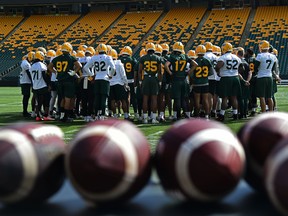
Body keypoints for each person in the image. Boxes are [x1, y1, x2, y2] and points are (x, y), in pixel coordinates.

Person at [48, 42, 82, 122]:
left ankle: (62, 115)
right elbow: (79, 66)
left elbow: (49, 67)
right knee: (67, 99)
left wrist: (55, 72)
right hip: (68, 81)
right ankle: (66, 116)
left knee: (62, 98)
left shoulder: (57, 58)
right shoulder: (71, 57)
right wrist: (74, 72)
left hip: (60, 81)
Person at [165, 41, 198, 121]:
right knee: (184, 98)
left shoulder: (172, 56)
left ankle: (178, 116)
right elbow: (195, 64)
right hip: (184, 79)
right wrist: (189, 72)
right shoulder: (185, 56)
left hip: (176, 79)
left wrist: (170, 73)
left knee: (177, 99)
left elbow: (166, 66)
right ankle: (187, 115)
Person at [83, 43, 116, 120]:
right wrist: (110, 75)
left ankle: (96, 114)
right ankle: (102, 114)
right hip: (105, 79)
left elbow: (85, 67)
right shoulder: (108, 57)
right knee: (104, 98)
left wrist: (92, 75)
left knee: (97, 97)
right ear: (106, 50)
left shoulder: (94, 58)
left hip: (97, 79)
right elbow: (113, 68)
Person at [215, 42, 243, 121]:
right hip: (235, 77)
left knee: (225, 97)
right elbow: (242, 68)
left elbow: (218, 67)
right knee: (234, 97)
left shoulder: (222, 57)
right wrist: (236, 72)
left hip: (226, 78)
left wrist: (218, 72)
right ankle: (235, 113)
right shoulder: (236, 57)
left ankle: (222, 114)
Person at [138, 42, 162, 124]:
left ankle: (145, 118)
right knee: (154, 99)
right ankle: (153, 118)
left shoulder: (143, 58)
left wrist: (140, 81)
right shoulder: (158, 58)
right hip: (154, 78)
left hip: (146, 78)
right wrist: (160, 81)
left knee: (145, 98)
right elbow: (160, 72)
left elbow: (140, 71)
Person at [254, 40, 279, 113]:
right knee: (269, 97)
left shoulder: (260, 55)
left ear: (261, 47)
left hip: (261, 77)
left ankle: (264, 112)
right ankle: (271, 112)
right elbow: (273, 68)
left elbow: (256, 67)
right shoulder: (273, 56)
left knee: (262, 97)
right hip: (269, 77)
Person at [190, 45, 213, 119]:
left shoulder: (195, 61)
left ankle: (197, 115)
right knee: (205, 100)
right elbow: (211, 72)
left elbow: (191, 74)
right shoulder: (207, 60)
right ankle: (207, 115)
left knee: (197, 100)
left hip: (197, 83)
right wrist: (205, 76)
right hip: (205, 82)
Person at [30, 51, 52, 121]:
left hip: (35, 86)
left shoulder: (32, 65)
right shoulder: (42, 65)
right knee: (46, 101)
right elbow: (44, 76)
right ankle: (46, 115)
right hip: (42, 85)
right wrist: (49, 84)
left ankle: (38, 116)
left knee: (38, 102)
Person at [109, 49, 131, 120]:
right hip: (119, 83)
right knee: (123, 100)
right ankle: (126, 115)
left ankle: (115, 115)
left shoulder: (108, 63)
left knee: (112, 100)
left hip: (110, 84)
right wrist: (126, 83)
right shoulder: (119, 63)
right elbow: (123, 75)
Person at [118, 46, 138, 119]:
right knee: (133, 98)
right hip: (131, 80)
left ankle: (126, 113)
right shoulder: (133, 59)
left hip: (122, 81)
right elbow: (135, 71)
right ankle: (136, 113)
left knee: (123, 99)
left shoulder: (119, 60)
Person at [204, 42, 219, 117]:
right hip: (215, 77)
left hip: (206, 77)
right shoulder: (216, 57)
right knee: (213, 96)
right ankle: (213, 110)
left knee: (207, 96)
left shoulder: (205, 56)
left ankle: (208, 112)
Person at [237, 47, 252, 119]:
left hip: (240, 82)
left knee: (240, 98)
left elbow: (237, 73)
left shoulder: (237, 62)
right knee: (245, 99)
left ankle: (241, 113)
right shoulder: (246, 62)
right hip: (246, 82)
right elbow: (250, 73)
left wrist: (244, 81)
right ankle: (245, 113)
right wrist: (248, 81)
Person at [19, 51, 35, 117]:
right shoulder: (26, 64)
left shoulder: (25, 62)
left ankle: (25, 111)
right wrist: (33, 82)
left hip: (25, 81)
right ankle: (25, 111)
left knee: (26, 96)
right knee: (26, 96)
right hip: (25, 81)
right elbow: (29, 74)